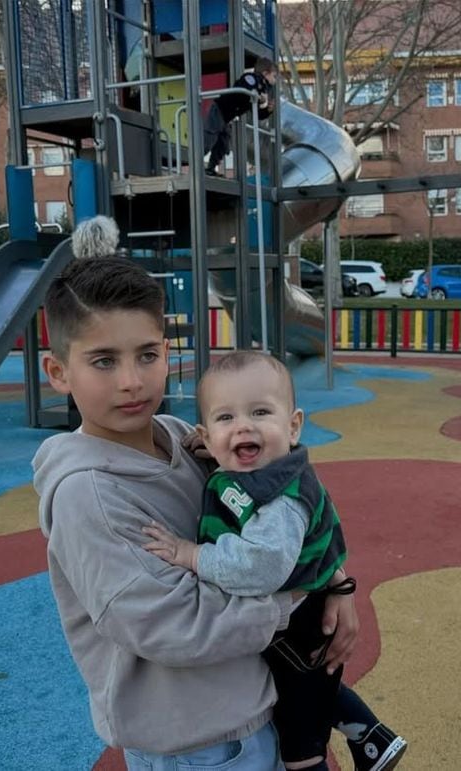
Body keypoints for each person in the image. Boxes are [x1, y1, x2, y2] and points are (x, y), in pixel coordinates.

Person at [32, 253, 360, 770]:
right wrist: (297, 596)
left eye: (145, 355)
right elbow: (176, 625)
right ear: (57, 371)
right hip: (195, 740)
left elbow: (271, 510)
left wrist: (335, 580)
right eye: (103, 361)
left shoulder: (186, 440)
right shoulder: (88, 497)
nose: (131, 381)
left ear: (167, 353)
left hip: (247, 704)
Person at [143, 350, 408, 771]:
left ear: (293, 425)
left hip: (297, 624)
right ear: (206, 437)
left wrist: (191, 555)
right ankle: (371, 736)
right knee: (311, 683)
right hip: (304, 610)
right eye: (225, 418)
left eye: (261, 412)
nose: (244, 425)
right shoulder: (259, 469)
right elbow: (238, 469)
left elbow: (260, 568)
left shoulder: (280, 500)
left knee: (298, 733)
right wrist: (215, 448)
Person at [204, 57, 277, 177]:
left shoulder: (261, 88)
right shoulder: (253, 79)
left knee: (223, 144)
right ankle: (196, 165)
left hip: (227, 118)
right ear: (265, 73)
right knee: (209, 139)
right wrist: (258, 95)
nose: (274, 81)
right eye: (274, 76)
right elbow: (244, 85)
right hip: (220, 110)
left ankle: (211, 168)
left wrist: (267, 110)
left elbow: (257, 114)